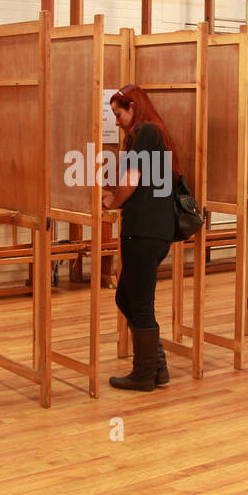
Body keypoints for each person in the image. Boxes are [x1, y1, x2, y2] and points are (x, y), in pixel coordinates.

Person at [101, 85, 178, 392]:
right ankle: (157, 368)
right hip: (154, 230)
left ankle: (144, 374)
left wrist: (113, 202)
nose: (117, 122)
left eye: (118, 115)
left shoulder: (145, 132)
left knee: (139, 302)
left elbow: (132, 181)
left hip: (143, 231)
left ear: (132, 107)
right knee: (127, 297)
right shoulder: (156, 132)